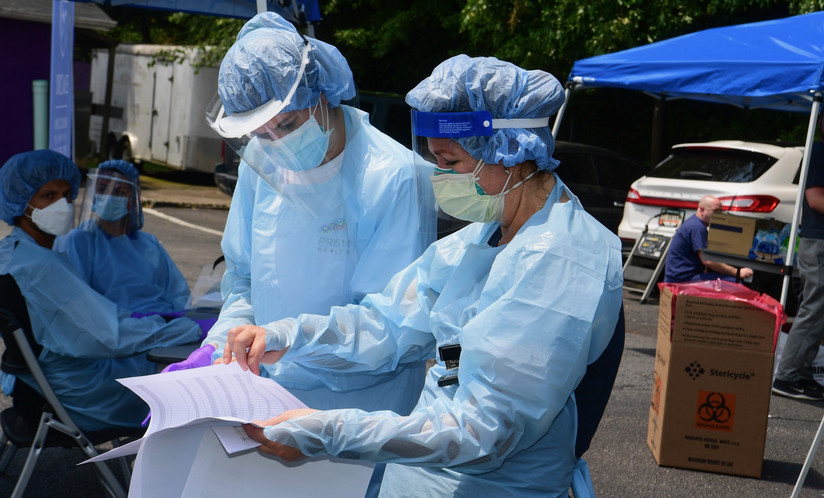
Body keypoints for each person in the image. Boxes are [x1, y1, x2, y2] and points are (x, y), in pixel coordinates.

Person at [224, 55, 623, 497]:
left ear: (508, 150)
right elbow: (390, 323)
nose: (441, 181)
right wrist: (291, 336)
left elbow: (481, 431)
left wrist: (330, 431)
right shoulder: (483, 238)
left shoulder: (562, 261)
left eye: (450, 164)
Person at [178, 12, 435, 416]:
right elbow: (244, 279)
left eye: (288, 124)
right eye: (260, 132)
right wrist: (220, 345)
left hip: (359, 411)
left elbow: (394, 327)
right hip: (266, 397)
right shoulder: (259, 164)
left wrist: (291, 337)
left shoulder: (393, 176)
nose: (276, 142)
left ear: (320, 96)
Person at [0, 150, 206, 431]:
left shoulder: (16, 253)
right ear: (20, 201)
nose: (62, 205)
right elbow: (111, 335)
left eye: (67, 195)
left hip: (49, 383)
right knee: (187, 379)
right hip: (84, 393)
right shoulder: (42, 265)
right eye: (48, 196)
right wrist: (190, 328)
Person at [54, 159, 191, 314]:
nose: (108, 197)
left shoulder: (150, 244)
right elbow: (80, 303)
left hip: (163, 322)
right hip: (117, 328)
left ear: (132, 199)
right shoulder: (80, 241)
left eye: (118, 191)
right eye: (102, 189)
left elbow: (179, 294)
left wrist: (180, 318)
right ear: (93, 194)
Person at [772, 112, 824, 400]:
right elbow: (815, 199)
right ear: (821, 123)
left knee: (817, 311)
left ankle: (801, 374)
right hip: (818, 243)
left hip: (818, 243)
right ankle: (788, 376)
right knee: (814, 309)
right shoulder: (818, 151)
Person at [664, 194, 754, 283]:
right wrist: (738, 272)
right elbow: (708, 261)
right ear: (702, 210)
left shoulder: (695, 222)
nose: (719, 215)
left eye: (720, 211)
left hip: (684, 276)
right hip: (683, 280)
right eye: (715, 211)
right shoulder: (697, 227)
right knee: (735, 283)